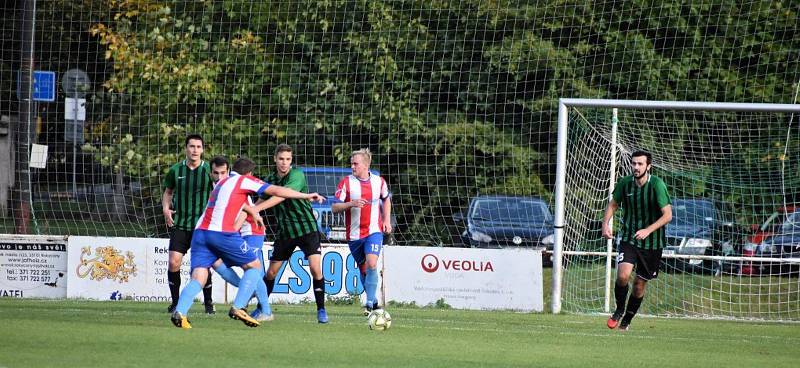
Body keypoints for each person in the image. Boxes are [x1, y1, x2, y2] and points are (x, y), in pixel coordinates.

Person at [171, 157, 324, 329]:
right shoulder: (244, 180)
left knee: (199, 276)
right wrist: (306, 195)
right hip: (221, 233)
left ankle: (181, 311)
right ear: (250, 173)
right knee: (255, 267)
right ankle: (239, 306)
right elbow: (277, 191)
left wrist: (254, 212)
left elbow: (240, 205)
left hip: (200, 233)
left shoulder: (222, 182)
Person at [258, 144, 329, 323]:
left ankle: (321, 310)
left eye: (288, 159)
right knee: (271, 273)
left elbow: (283, 195)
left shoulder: (297, 175)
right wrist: (249, 211)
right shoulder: (270, 179)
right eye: (281, 159)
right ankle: (261, 308)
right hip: (285, 232)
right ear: (275, 159)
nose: (284, 163)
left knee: (315, 268)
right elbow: (261, 198)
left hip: (307, 228)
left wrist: (255, 209)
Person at [602, 150, 672, 331]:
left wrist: (648, 230)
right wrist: (605, 224)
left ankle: (626, 320)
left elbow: (668, 215)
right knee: (623, 275)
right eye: (634, 163)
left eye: (640, 164)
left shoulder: (657, 185)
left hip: (653, 243)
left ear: (648, 166)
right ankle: (618, 310)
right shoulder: (625, 184)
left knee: (639, 285)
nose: (636, 167)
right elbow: (613, 204)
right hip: (629, 238)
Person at [331, 148, 392, 315]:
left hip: (374, 231)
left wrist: (386, 220)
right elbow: (335, 207)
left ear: (366, 165)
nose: (352, 167)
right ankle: (373, 300)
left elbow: (386, 199)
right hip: (354, 235)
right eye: (351, 164)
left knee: (372, 264)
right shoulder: (346, 182)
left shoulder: (379, 182)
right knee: (364, 268)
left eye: (355, 163)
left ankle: (369, 304)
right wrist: (351, 204)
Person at [162, 134, 215, 314]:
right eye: (191, 146)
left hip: (202, 227)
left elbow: (219, 191)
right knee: (173, 262)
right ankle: (176, 303)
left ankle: (208, 303)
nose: (195, 150)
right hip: (181, 225)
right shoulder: (176, 170)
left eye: (198, 147)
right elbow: (168, 192)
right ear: (186, 148)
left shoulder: (209, 170)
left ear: (203, 149)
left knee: (203, 266)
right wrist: (166, 209)